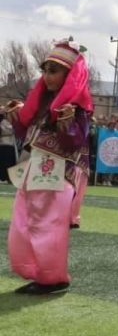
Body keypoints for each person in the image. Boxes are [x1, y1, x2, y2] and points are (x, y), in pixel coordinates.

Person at [6, 39, 93, 294]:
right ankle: (38, 273)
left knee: (48, 226)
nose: (47, 76)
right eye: (45, 70)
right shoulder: (44, 102)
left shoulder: (78, 107)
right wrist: (16, 119)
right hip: (35, 170)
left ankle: (53, 278)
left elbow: (75, 142)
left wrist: (67, 124)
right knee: (23, 223)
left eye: (53, 71)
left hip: (57, 174)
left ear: (69, 74)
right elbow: (27, 134)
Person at [0, 109, 16, 183]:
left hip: (8, 144)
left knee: (6, 161)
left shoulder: (5, 122)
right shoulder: (4, 122)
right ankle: (4, 177)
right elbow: (10, 131)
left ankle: (6, 177)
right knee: (6, 162)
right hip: (6, 144)